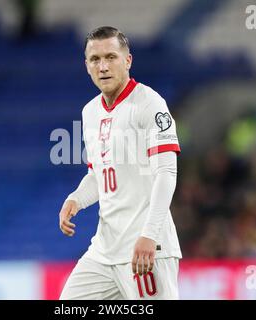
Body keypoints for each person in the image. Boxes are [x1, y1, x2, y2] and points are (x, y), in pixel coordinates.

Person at [58, 26, 182, 300]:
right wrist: (76, 199)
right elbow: (98, 175)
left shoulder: (150, 104)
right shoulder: (89, 112)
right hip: (104, 252)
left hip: (146, 247)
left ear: (128, 60)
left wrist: (149, 235)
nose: (103, 66)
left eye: (111, 57)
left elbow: (167, 172)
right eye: (95, 59)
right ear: (86, 65)